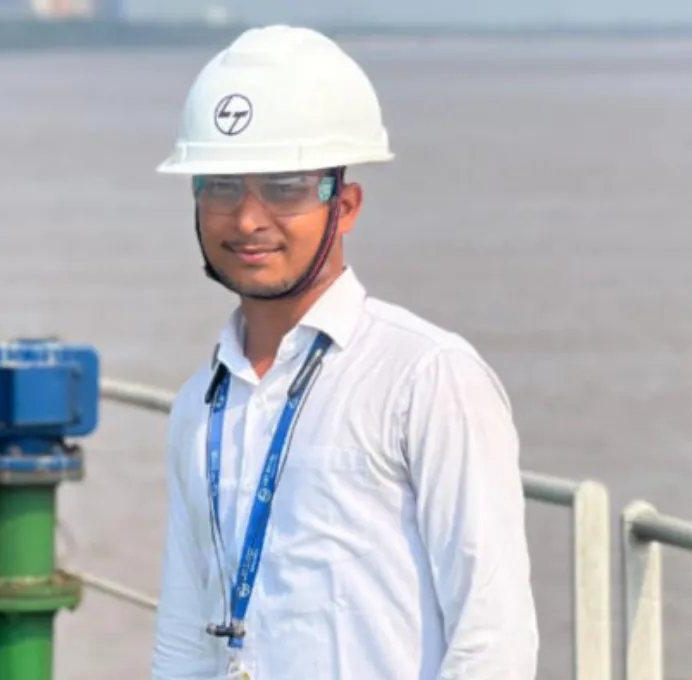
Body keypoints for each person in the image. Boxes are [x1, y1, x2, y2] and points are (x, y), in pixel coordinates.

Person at [150, 24, 538, 680]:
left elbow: (493, 637)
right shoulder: (202, 401)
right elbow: (185, 636)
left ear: (346, 205)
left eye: (284, 187)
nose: (247, 219)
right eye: (220, 186)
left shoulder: (426, 377)